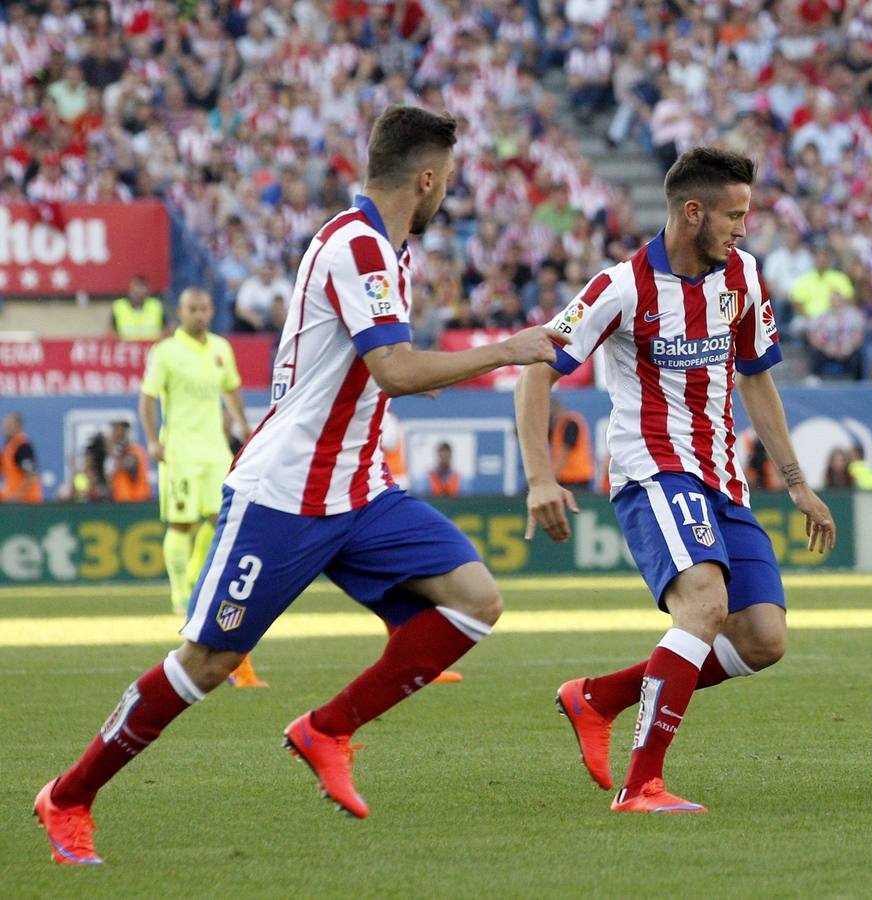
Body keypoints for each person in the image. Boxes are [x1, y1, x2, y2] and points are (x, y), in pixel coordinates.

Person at [34, 106, 565, 866]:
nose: (451, 187)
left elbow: (369, 371)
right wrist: (505, 350)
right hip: (285, 493)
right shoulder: (358, 248)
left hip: (359, 489)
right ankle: (69, 795)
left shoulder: (388, 249)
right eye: (447, 176)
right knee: (207, 663)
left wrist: (401, 384)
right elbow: (393, 366)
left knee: (475, 601)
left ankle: (328, 728)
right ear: (425, 177)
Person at [519, 147, 837, 814]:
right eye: (734, 215)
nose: (743, 229)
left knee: (763, 638)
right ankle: (643, 785)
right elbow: (535, 370)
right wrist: (540, 476)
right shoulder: (622, 286)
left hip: (723, 478)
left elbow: (755, 376)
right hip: (654, 470)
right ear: (692, 212)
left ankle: (599, 698)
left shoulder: (742, 276)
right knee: (703, 605)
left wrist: (798, 482)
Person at [139, 289, 265, 687]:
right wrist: (152, 440)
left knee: (218, 522)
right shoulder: (165, 353)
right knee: (181, 526)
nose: (199, 313)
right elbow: (147, 398)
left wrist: (242, 424)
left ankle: (194, 581)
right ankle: (180, 596)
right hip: (179, 452)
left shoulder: (222, 349)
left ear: (212, 309)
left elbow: (231, 388)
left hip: (213, 451)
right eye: (192, 308)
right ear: (181, 311)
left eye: (205, 307)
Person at [548, 398, 594, 492]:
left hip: (575, 478)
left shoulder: (570, 423)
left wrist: (550, 479)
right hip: (568, 477)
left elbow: (564, 454)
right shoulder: (559, 426)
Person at [1, 412, 44, 503]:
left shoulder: (22, 447)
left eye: (9, 424)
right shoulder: (9, 446)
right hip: (12, 499)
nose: (5, 427)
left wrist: (16, 497)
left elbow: (30, 476)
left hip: (27, 502)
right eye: (5, 424)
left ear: (19, 426)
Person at [106, 420, 152, 502]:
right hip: (119, 503)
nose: (118, 434)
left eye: (122, 431)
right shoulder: (114, 454)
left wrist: (113, 451)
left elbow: (130, 466)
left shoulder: (136, 451)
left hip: (137, 502)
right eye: (115, 430)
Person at [111, 274, 165, 340]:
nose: (139, 291)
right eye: (136, 287)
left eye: (142, 287)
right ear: (130, 289)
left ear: (148, 290)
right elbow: (111, 333)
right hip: (126, 348)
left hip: (153, 348)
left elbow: (167, 329)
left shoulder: (156, 306)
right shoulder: (119, 306)